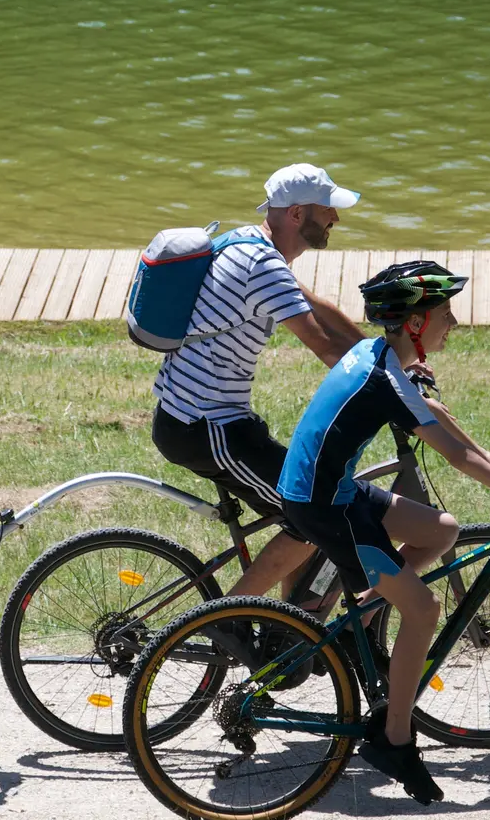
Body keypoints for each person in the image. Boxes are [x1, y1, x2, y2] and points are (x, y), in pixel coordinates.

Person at [276, 261, 490, 804]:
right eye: (444, 313)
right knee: (423, 610)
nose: (453, 323)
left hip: (331, 491)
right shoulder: (384, 377)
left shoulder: (380, 357)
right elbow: (453, 455)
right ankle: (394, 739)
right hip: (326, 507)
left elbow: (432, 411)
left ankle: (364, 603)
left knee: (441, 530)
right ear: (414, 322)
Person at [150, 162, 370, 603]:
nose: (336, 219)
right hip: (204, 428)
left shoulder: (248, 243)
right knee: (313, 514)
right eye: (328, 210)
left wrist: (380, 358)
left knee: (315, 507)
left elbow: (320, 308)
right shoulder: (261, 265)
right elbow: (322, 343)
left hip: (214, 422)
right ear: (296, 215)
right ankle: (224, 623)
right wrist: (386, 390)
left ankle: (291, 630)